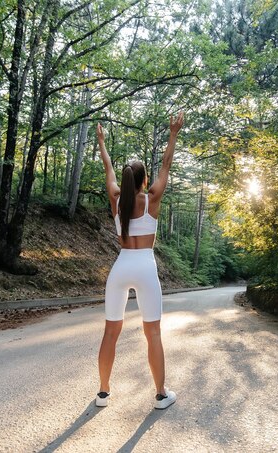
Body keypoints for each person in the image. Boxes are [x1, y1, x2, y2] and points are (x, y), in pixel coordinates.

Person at [95, 112, 184, 410]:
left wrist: (101, 142)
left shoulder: (116, 198)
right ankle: (161, 394)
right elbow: (167, 164)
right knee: (153, 332)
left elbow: (107, 166)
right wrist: (173, 133)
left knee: (110, 331)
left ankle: (103, 393)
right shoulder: (153, 199)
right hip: (145, 266)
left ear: (126, 180)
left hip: (121, 266)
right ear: (144, 180)